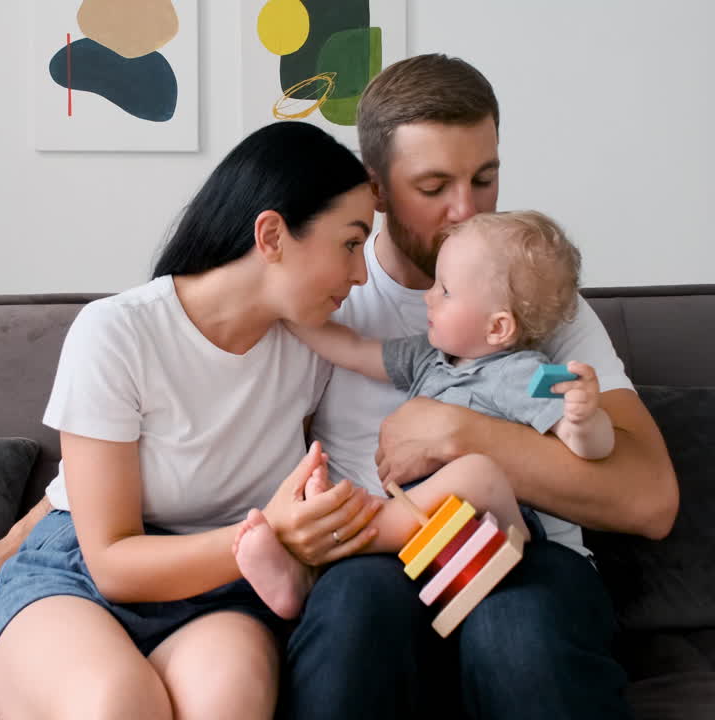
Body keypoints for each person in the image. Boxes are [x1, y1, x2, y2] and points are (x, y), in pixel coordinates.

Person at [0, 121, 391, 717]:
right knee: (118, 702)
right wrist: (272, 532)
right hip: (81, 576)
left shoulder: (317, 349)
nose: (361, 274)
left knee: (228, 701)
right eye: (351, 243)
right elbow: (111, 558)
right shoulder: (118, 332)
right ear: (272, 235)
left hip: (220, 596)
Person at [273, 55, 679, 720]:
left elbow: (650, 500)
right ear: (376, 188)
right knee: (351, 622)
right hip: (379, 554)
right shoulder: (329, 294)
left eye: (485, 179)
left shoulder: (537, 300)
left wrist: (458, 432)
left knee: (518, 636)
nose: (465, 211)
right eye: (433, 186)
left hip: (525, 549)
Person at [234, 209, 614, 620]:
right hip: (426, 527)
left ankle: (341, 534)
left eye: (445, 291)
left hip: (497, 530)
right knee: (354, 513)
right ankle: (304, 575)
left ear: (498, 328)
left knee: (478, 473)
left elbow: (592, 449)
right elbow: (353, 350)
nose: (429, 296)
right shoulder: (427, 356)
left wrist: (583, 420)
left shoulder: (523, 373)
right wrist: (284, 311)